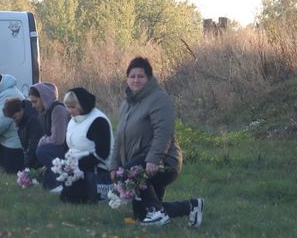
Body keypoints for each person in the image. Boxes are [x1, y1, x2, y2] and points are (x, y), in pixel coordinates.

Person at [109, 57, 204, 227]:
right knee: (141, 214)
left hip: (164, 161)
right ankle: (191, 207)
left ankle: (157, 212)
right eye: (132, 76)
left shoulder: (158, 98)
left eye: (141, 76)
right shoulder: (126, 104)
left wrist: (154, 158)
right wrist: (114, 166)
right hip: (140, 162)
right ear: (127, 79)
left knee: (130, 172)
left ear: (149, 78)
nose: (136, 80)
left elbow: (164, 131)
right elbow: (119, 138)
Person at [58, 87, 113, 204]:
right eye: (67, 107)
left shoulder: (98, 121)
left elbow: (103, 152)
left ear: (83, 104)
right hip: (76, 164)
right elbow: (69, 144)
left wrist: (78, 164)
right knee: (66, 198)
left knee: (73, 198)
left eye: (73, 107)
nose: (69, 111)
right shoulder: (73, 120)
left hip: (95, 166)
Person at [30, 82, 70, 189]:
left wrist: (42, 141)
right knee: (46, 185)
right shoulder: (44, 112)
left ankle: (62, 180)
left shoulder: (58, 110)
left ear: (44, 98)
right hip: (57, 150)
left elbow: (58, 139)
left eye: (35, 101)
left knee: (42, 151)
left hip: (67, 150)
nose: (33, 106)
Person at [2, 98, 44, 169]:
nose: (14, 120)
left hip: (39, 159)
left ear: (21, 110)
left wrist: (26, 165)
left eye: (15, 117)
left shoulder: (33, 120)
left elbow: (33, 145)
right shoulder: (22, 121)